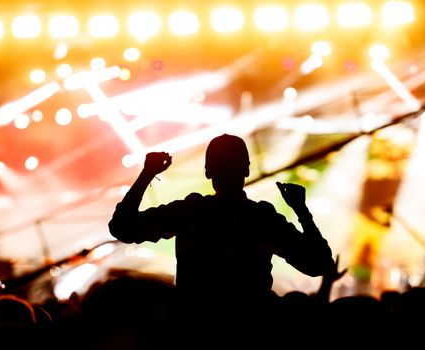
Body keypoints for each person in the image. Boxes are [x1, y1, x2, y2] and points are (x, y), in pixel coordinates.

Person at [108, 133, 334, 341]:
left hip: (195, 332)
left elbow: (123, 227)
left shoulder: (192, 212)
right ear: (246, 169)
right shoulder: (260, 218)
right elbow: (319, 263)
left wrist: (147, 173)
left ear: (208, 171)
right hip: (252, 332)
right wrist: (301, 211)